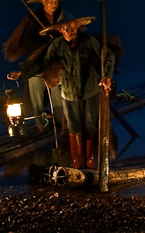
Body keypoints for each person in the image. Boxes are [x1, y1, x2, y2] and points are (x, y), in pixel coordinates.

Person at [39, 13, 115, 170]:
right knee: (73, 125)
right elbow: (46, 65)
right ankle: (77, 159)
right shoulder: (56, 45)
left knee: (90, 124)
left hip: (89, 88)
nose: (71, 31)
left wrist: (106, 76)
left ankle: (90, 159)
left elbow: (109, 57)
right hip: (68, 91)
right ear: (61, 30)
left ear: (77, 28)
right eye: (67, 29)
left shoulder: (88, 41)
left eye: (74, 28)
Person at [3, 0, 73, 128]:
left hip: (56, 63)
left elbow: (71, 37)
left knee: (58, 94)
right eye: (50, 1)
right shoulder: (33, 19)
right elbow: (28, 42)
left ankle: (60, 122)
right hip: (37, 60)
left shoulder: (62, 16)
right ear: (43, 2)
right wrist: (46, 45)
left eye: (56, 1)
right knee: (36, 94)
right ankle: (41, 124)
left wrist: (58, 43)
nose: (54, 4)